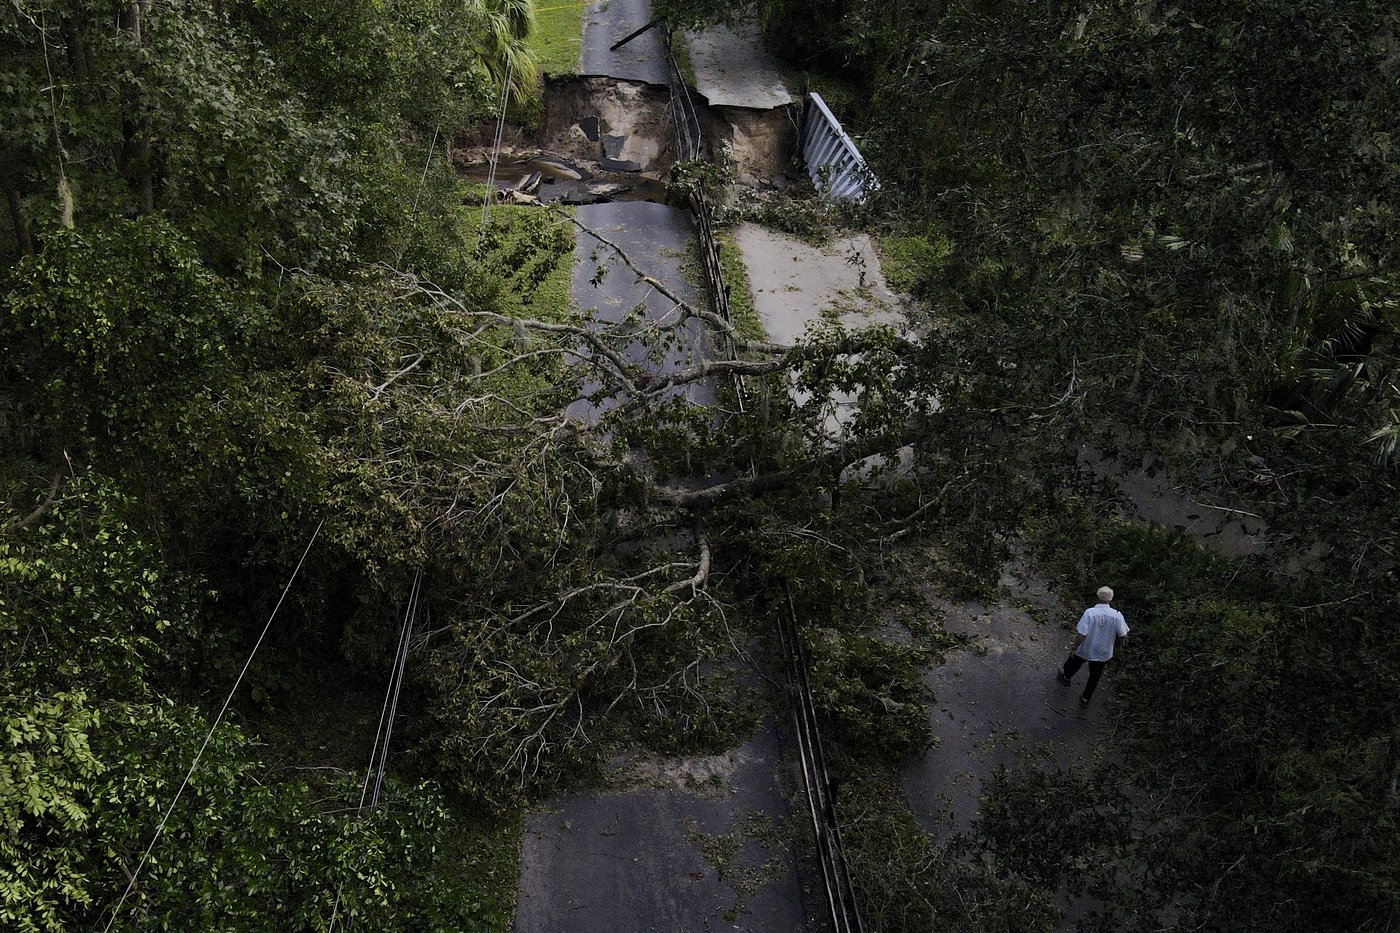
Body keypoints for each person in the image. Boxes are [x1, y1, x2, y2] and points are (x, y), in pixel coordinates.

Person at [1057, 585, 1129, 707]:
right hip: (1104, 652)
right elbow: (1123, 635)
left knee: (1074, 662)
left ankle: (1066, 677)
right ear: (1111, 599)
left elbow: (1082, 633)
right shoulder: (1117, 615)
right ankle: (1086, 697)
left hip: (1087, 647)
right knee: (1095, 675)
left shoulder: (1090, 613)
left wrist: (1074, 647)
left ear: (1098, 596)